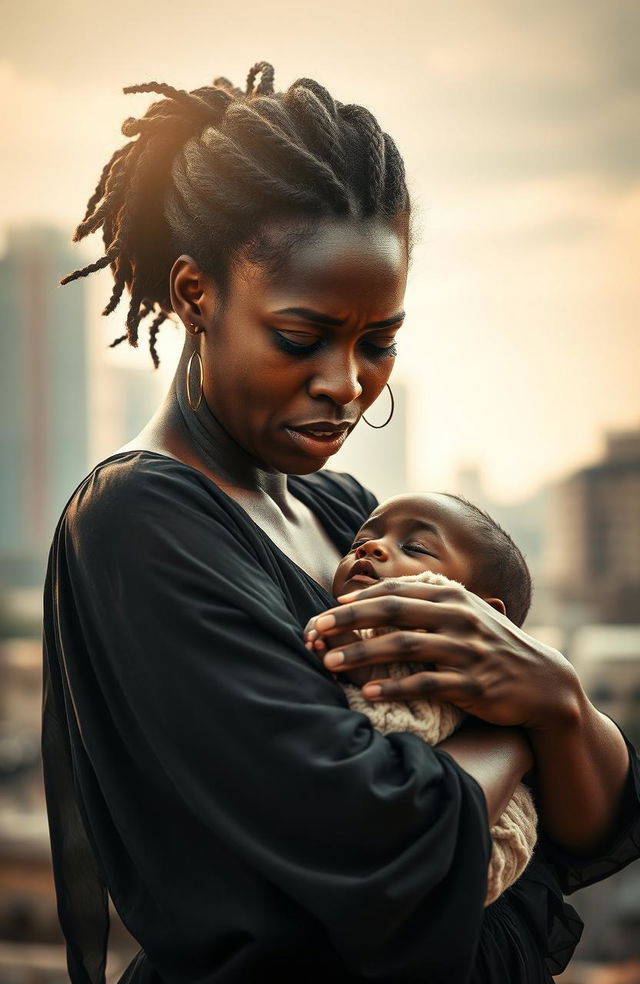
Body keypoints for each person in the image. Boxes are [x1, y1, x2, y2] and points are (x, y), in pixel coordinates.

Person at [42, 62, 640, 984]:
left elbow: (592, 818)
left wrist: (556, 698)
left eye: (379, 341)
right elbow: (379, 837)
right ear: (197, 295)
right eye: (300, 336)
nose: (346, 383)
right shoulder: (138, 523)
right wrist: (531, 725)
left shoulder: (352, 512)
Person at [321, 490, 540, 907]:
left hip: (472, 860)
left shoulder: (449, 670)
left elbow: (405, 743)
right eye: (358, 543)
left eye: (416, 547)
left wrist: (365, 671)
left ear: (483, 614)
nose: (371, 547)